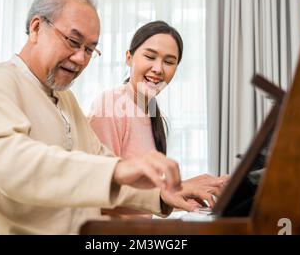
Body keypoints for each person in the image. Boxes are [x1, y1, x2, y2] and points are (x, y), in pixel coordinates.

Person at [0, 0, 220, 235]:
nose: (80, 58)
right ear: (36, 28)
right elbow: (13, 164)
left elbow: (102, 163)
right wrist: (118, 171)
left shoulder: (66, 100)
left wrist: (163, 194)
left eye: (89, 49)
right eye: (73, 41)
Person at [88, 21, 229, 218]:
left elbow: (146, 200)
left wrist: (196, 190)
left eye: (169, 62)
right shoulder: (109, 104)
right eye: (150, 56)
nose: (158, 69)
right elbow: (99, 190)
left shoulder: (151, 108)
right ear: (129, 58)